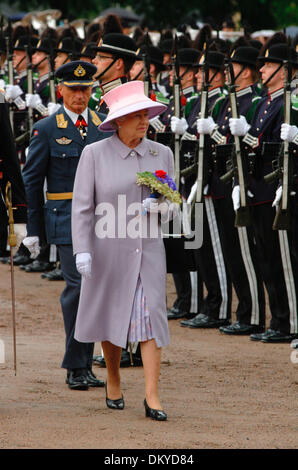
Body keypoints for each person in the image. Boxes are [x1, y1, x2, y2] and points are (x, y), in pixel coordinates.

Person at [71, 80, 171, 420]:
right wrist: (81, 249)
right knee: (111, 317)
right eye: (137, 115)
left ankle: (152, 396)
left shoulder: (161, 153)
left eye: (146, 115)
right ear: (119, 120)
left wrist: (161, 206)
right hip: (107, 252)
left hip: (148, 252)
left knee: (150, 318)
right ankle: (113, 377)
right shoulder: (94, 154)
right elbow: (83, 207)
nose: (144, 121)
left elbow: (172, 201)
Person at [22, 60, 106, 389]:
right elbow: (32, 182)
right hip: (66, 218)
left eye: (85, 90)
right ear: (60, 90)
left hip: (101, 220)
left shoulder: (102, 125)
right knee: (78, 288)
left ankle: (86, 363)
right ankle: (75, 365)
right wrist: (32, 230)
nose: (80, 96)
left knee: (95, 290)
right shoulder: (47, 128)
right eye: (73, 90)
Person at [229, 43, 298, 342]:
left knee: (286, 260)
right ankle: (279, 320)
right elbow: (255, 144)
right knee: (267, 259)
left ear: (285, 71)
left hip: (279, 187)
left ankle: (291, 322)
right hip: (259, 188)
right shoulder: (264, 103)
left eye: (268, 66)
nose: (261, 70)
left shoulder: (291, 102)